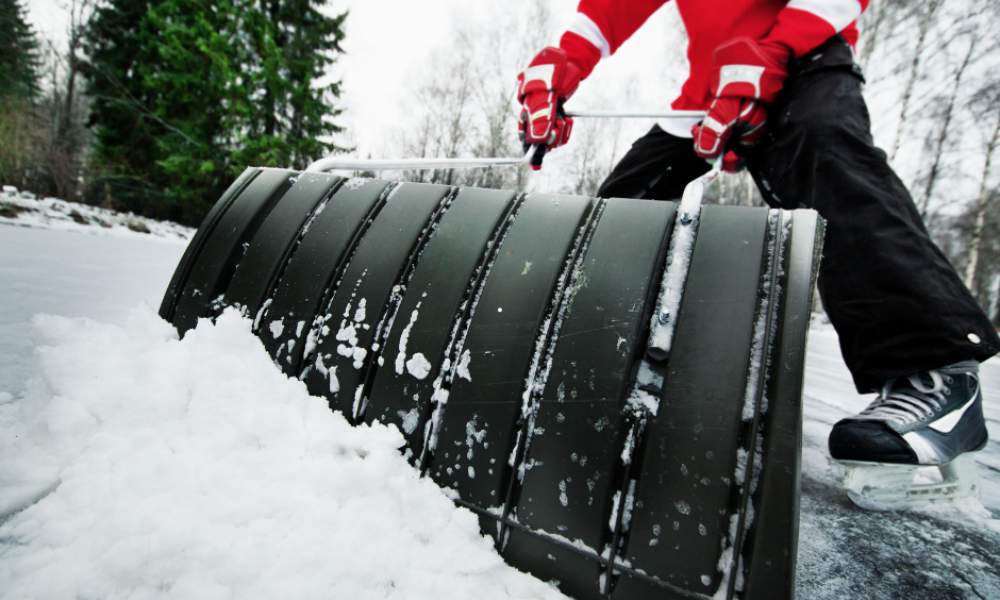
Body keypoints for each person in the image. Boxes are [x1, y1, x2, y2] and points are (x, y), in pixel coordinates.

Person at [515, 0, 995, 507]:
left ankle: (938, 378)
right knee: (624, 206)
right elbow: (613, 9)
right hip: (710, 87)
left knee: (823, 151)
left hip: (802, 57)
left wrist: (775, 49)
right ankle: (582, 359)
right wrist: (563, 59)